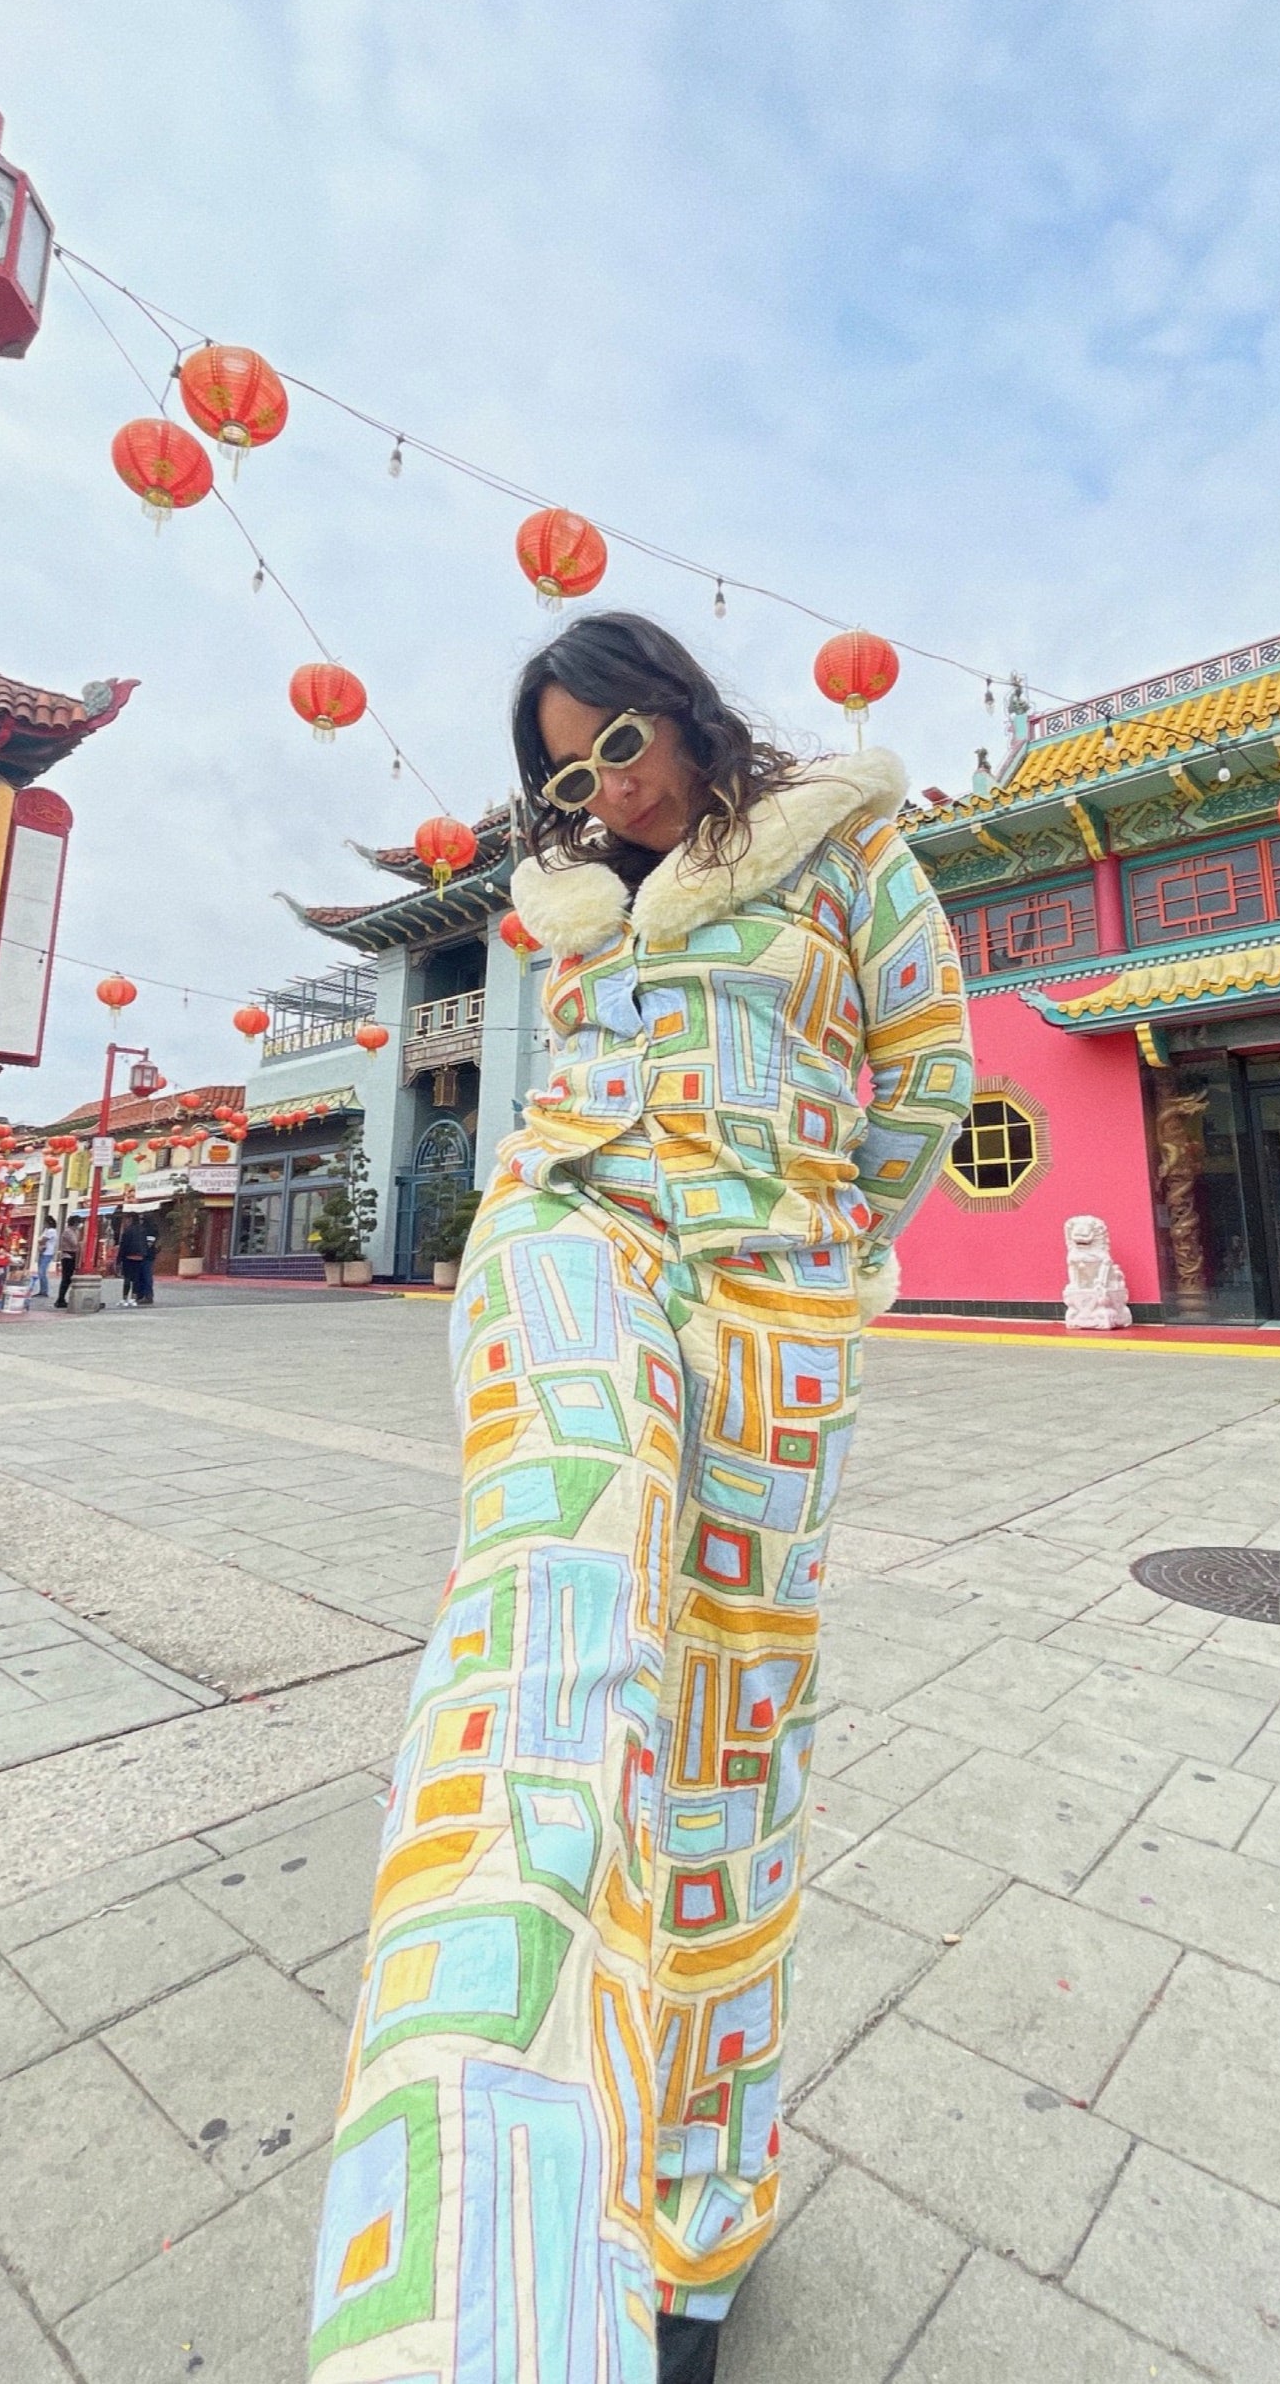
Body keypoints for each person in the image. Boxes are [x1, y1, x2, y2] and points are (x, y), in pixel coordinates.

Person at [311, 614, 972, 2384]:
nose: (605, 789)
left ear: (682, 713)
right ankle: (487, 2272)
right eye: (567, 773)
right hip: (572, 1224)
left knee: (732, 1732)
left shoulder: (851, 847)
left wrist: (826, 1244)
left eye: (619, 744)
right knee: (545, 1615)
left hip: (773, 1297)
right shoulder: (574, 908)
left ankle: (695, 2209)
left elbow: (929, 1077)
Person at [115, 1198, 154, 1308]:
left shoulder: (128, 1231)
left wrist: (118, 1260)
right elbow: (145, 1244)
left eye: (127, 1219)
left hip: (129, 1257)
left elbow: (123, 1246)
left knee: (127, 1278)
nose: (125, 1221)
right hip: (140, 1257)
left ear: (130, 1219)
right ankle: (134, 1298)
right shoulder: (142, 1230)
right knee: (136, 1279)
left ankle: (124, 1298)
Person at [53, 1213, 82, 1310]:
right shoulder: (68, 1232)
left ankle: (62, 1298)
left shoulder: (75, 1231)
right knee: (66, 1278)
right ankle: (60, 1299)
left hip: (73, 1255)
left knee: (68, 1278)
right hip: (67, 1256)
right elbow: (74, 1243)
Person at [32, 1218, 58, 1306]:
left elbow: (42, 1240)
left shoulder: (51, 1231)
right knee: (41, 1272)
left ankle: (44, 1290)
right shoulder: (47, 1230)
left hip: (47, 1253)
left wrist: (40, 1241)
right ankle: (42, 1290)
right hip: (43, 1252)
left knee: (42, 1272)